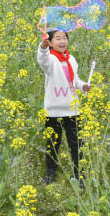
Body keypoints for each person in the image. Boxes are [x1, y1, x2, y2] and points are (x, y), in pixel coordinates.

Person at [37, 30, 91, 187]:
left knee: (77, 144)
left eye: (65, 38)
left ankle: (79, 173)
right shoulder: (51, 59)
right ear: (51, 42)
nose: (62, 41)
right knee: (53, 143)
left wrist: (83, 86)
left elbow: (74, 80)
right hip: (54, 111)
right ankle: (50, 173)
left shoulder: (71, 59)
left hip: (73, 110)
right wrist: (43, 47)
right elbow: (43, 59)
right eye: (58, 38)